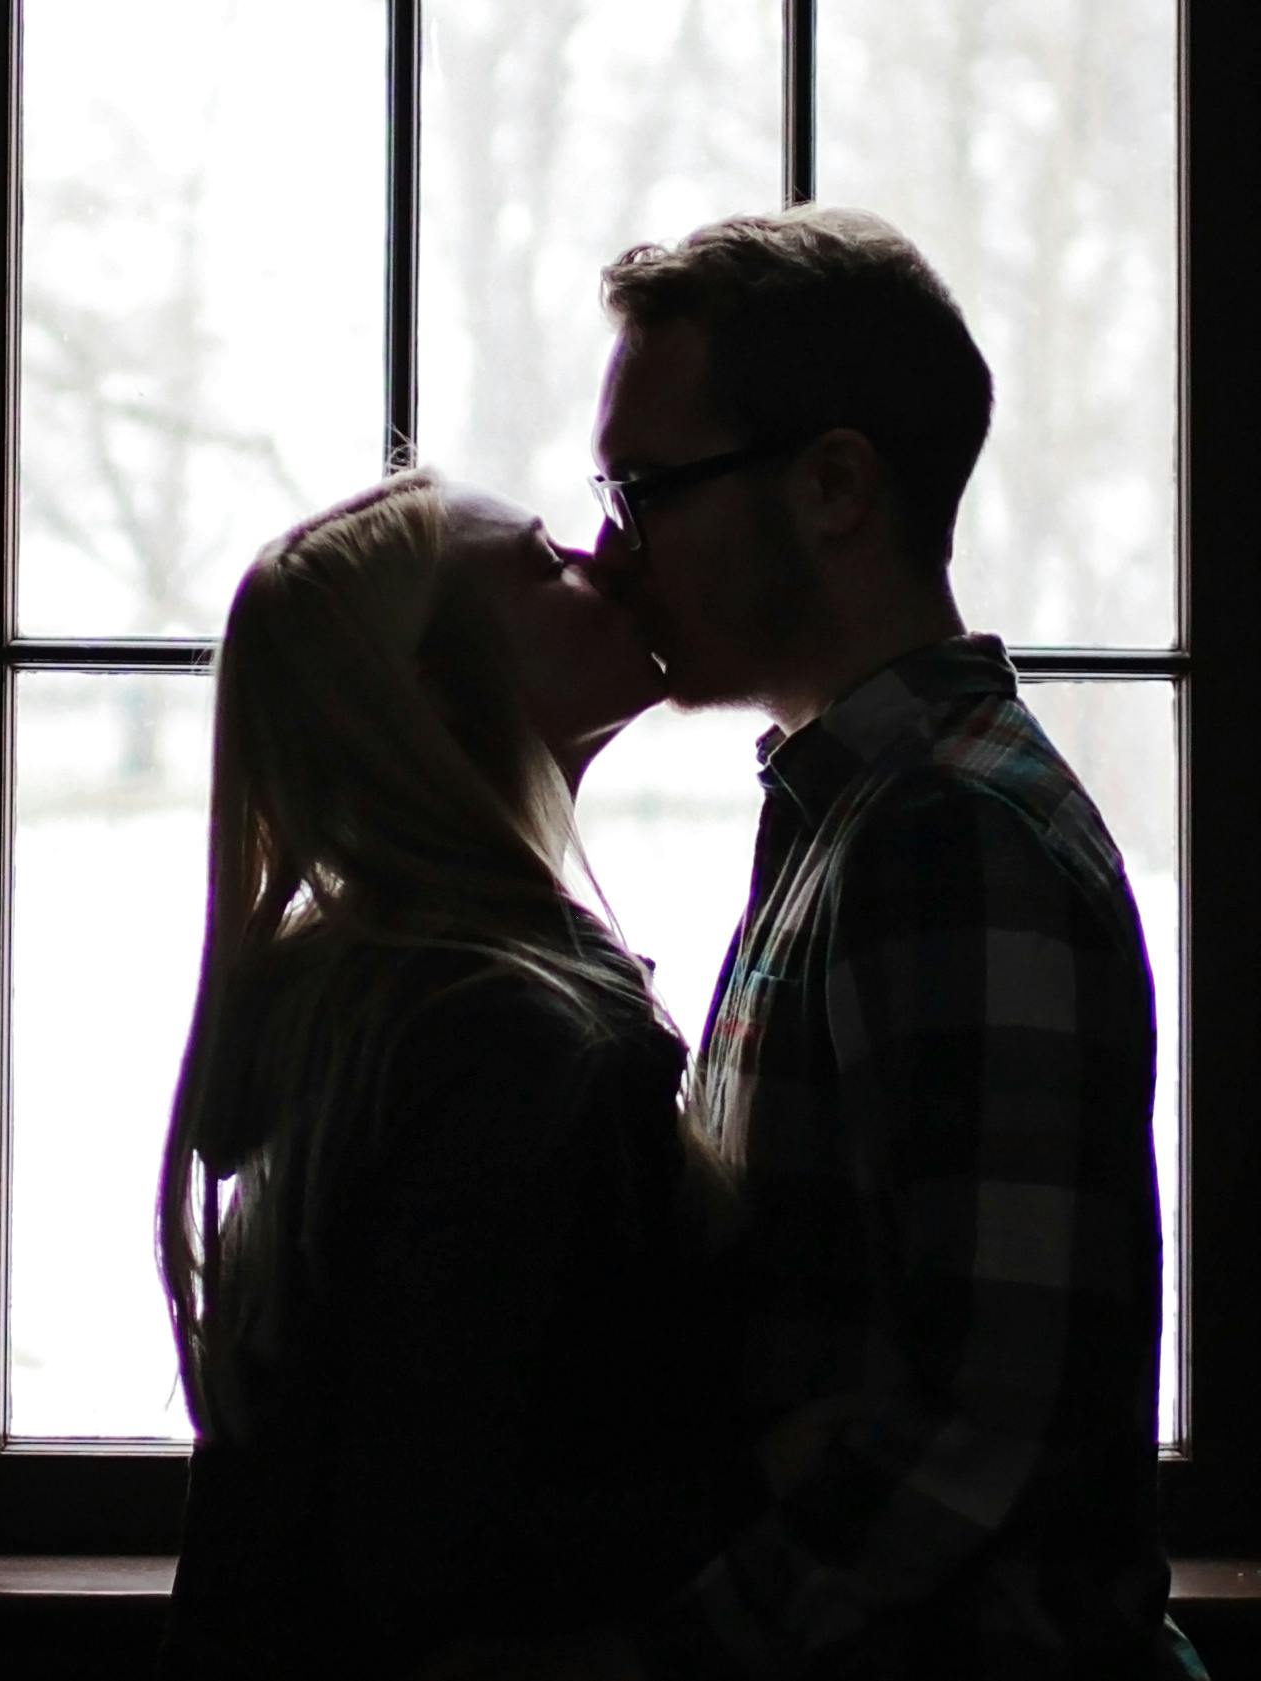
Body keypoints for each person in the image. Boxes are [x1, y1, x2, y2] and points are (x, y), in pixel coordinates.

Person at [438, 208, 1201, 1681]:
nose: (613, 549)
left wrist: (648, 1669)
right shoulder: (853, 812)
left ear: (835, 487)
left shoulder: (947, 835)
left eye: (646, 490)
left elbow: (977, 1434)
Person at [158, 469, 758, 1680]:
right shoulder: (517, 1043)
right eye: (542, 564)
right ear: (434, 692)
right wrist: (771, 1468)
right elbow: (446, 1528)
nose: (603, 560)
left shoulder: (379, 1008)